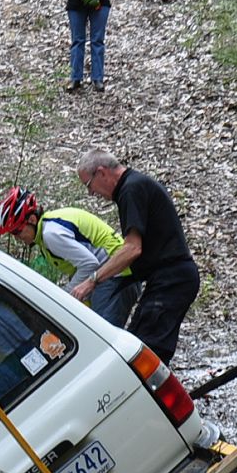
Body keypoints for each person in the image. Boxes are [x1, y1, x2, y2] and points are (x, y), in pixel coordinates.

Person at [71, 148, 200, 363]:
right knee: (139, 350)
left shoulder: (131, 189)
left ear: (101, 173)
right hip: (167, 279)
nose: (91, 194)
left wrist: (91, 281)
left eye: (88, 185)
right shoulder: (132, 187)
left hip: (172, 280)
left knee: (143, 357)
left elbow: (132, 248)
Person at [0, 186, 142, 327]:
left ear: (32, 219)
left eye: (17, 232)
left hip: (116, 274)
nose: (17, 238)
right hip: (113, 273)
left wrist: (66, 295)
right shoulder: (48, 228)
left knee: (109, 340)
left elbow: (90, 264)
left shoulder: (51, 234)